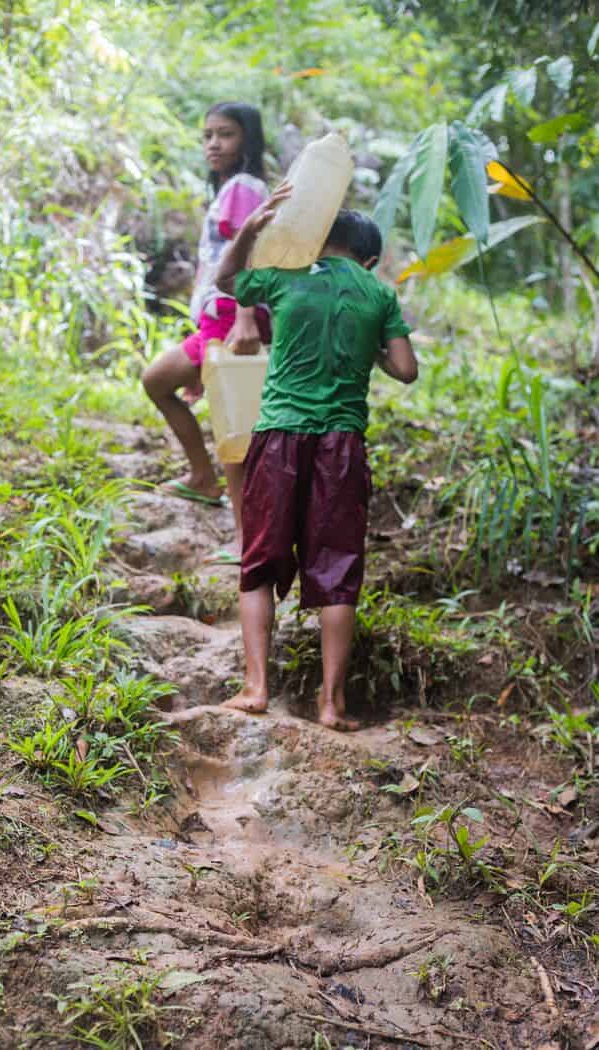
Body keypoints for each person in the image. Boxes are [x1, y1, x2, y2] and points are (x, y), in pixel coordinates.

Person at [215, 194, 418, 731]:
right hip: (342, 445)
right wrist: (369, 339)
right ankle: (331, 703)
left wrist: (249, 234)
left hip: (279, 436)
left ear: (321, 241)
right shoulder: (379, 292)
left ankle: (256, 688)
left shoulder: (286, 276)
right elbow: (405, 368)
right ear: (369, 259)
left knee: (259, 563)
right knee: (338, 568)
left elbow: (226, 282)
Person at [142, 102, 271, 562]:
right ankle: (201, 476)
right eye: (208, 135)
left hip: (231, 318)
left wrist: (245, 315)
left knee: (232, 427)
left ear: (248, 140)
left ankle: (244, 538)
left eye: (226, 134)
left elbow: (250, 255)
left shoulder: (244, 189)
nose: (214, 144)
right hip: (215, 320)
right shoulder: (231, 189)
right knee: (159, 381)